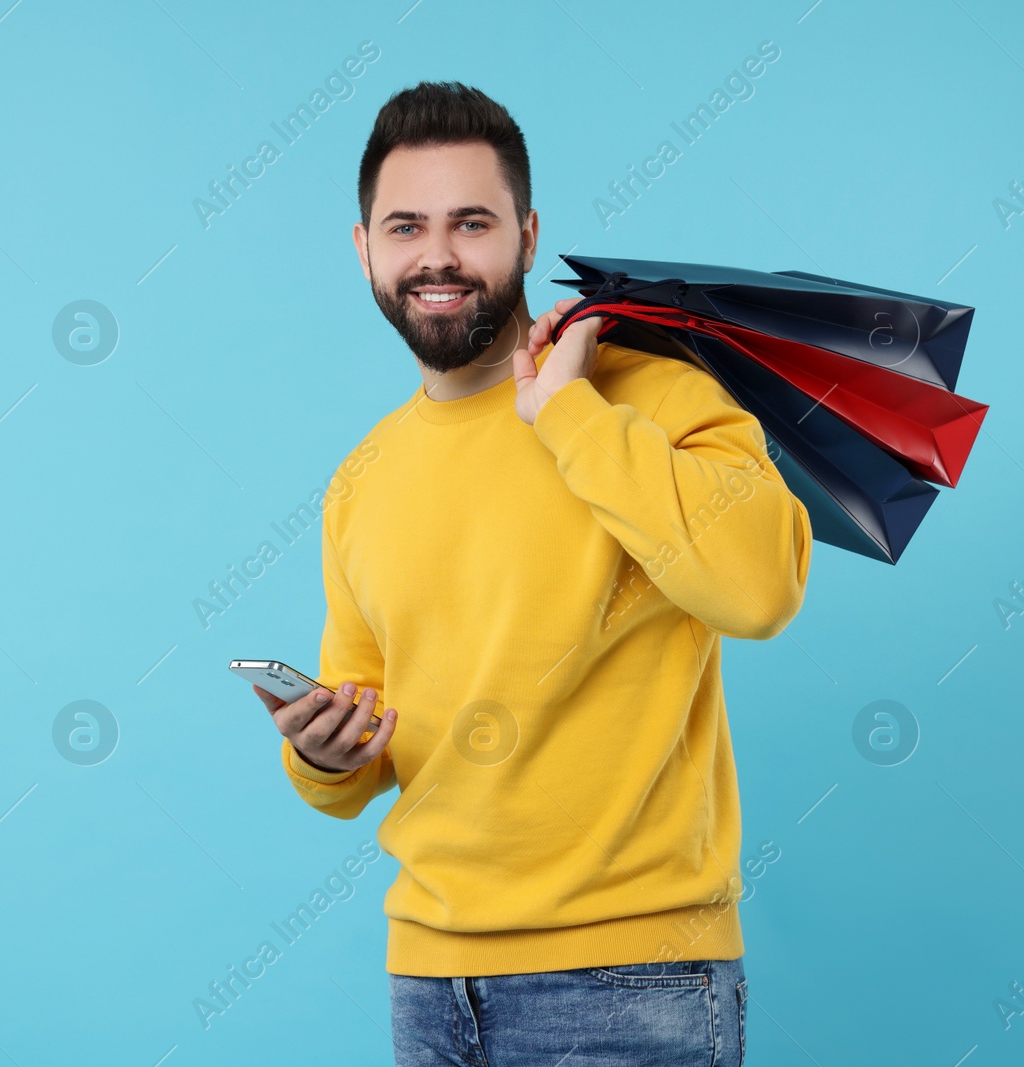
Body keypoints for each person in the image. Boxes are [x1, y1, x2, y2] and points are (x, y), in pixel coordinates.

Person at [252, 81, 812, 1066]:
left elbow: (760, 587)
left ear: (525, 232)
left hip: (634, 982)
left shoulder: (650, 396)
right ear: (363, 249)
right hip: (428, 982)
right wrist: (326, 754)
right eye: (405, 226)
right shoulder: (360, 480)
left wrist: (567, 416)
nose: (436, 255)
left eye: (471, 222)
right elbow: (367, 736)